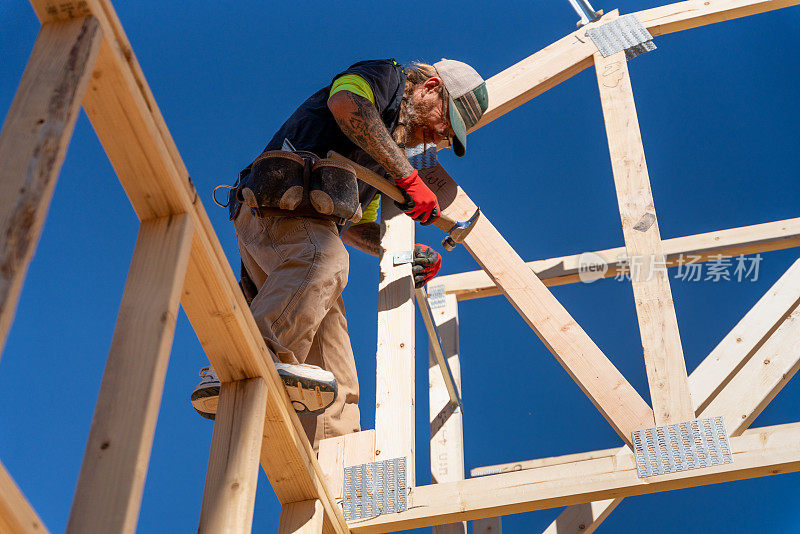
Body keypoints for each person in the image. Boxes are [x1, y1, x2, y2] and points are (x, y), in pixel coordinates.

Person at [191, 58, 488, 450]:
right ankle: (242, 364)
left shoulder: (384, 154)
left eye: (447, 136)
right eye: (444, 122)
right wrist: (407, 176)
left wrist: (398, 249)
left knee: (334, 376)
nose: (439, 137)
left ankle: (333, 462)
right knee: (325, 262)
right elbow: (346, 104)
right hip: (275, 205)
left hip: (305, 234)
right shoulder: (385, 77)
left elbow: (353, 230)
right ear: (429, 88)